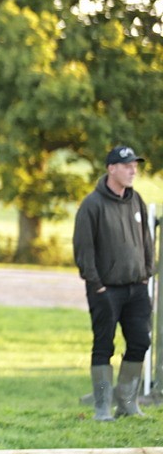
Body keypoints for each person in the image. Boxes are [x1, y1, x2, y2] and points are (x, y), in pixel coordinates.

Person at [73, 144, 154, 421]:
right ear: (111, 169)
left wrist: (146, 274)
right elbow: (83, 250)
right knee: (103, 346)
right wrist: (97, 285)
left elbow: (145, 241)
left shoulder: (136, 200)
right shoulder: (91, 205)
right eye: (127, 165)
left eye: (135, 165)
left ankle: (127, 403)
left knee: (140, 341)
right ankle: (102, 407)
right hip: (105, 290)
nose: (133, 170)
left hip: (137, 288)